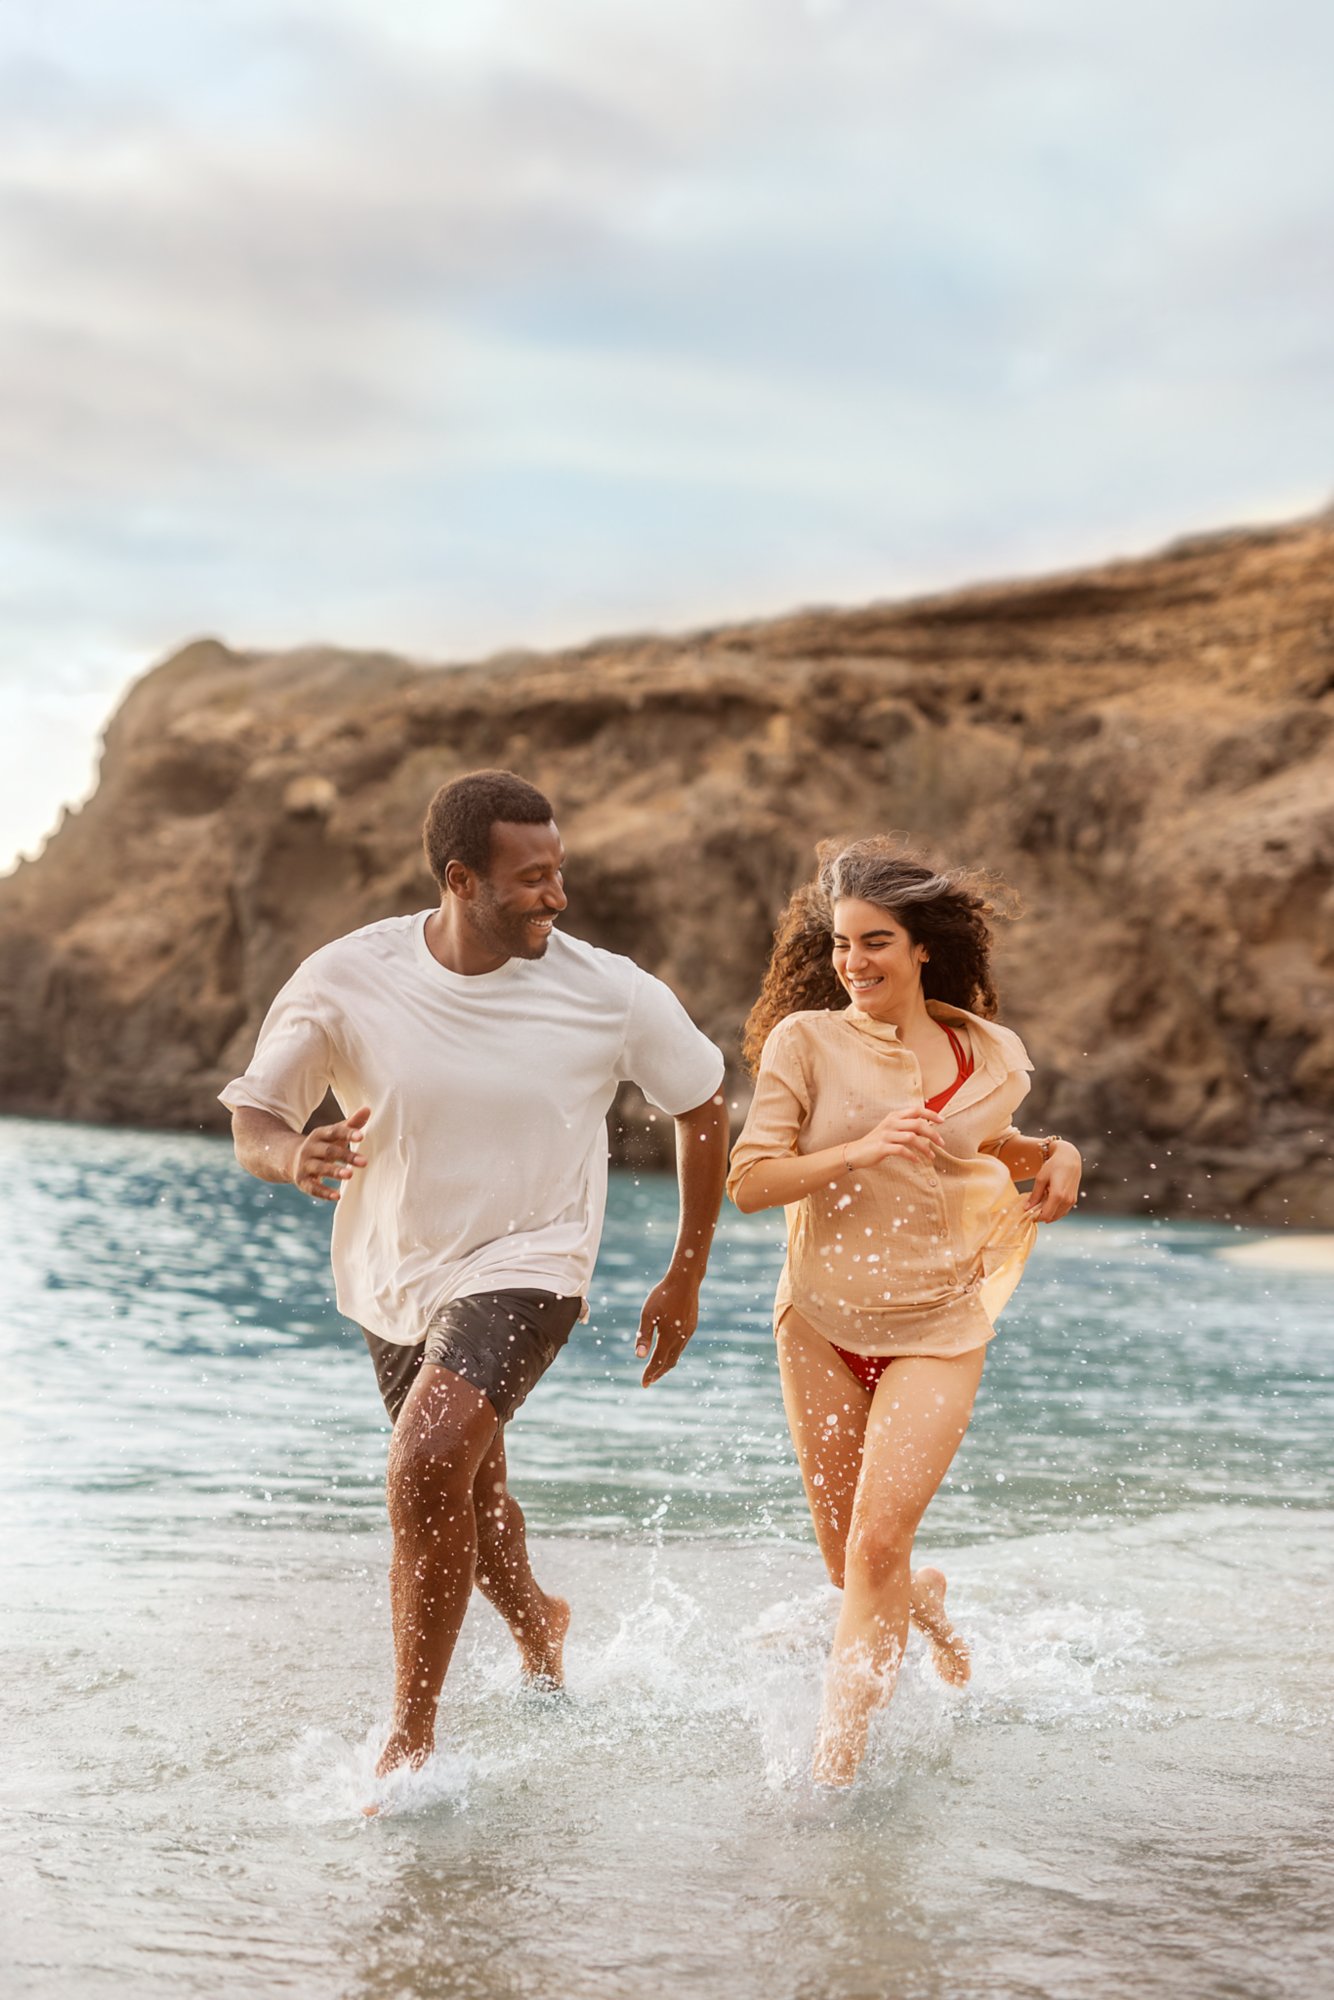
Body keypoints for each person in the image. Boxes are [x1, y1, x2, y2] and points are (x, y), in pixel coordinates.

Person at [222, 769, 727, 1783]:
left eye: (559, 870)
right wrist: (293, 1157)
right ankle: (539, 1622)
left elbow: (704, 1106)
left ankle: (408, 1740)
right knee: (466, 1486)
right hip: (395, 1267)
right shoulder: (346, 976)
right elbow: (255, 1120)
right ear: (460, 879)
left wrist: (684, 1272)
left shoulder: (609, 991)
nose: (556, 895)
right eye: (531, 876)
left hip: (533, 1256)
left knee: (421, 1466)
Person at [726, 838, 1081, 1786]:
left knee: (876, 1542)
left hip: (939, 1327)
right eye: (842, 945)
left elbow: (983, 1145)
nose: (855, 964)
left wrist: (1054, 1152)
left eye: (875, 942)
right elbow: (751, 1182)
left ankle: (834, 1772)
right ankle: (921, 1603)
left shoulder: (985, 1053)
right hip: (820, 1323)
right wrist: (859, 1148)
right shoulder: (807, 1043)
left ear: (923, 948)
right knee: (855, 1568)